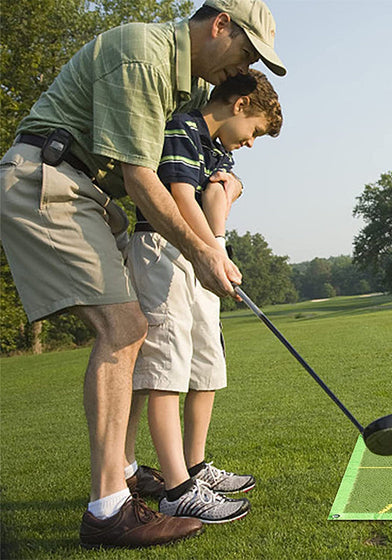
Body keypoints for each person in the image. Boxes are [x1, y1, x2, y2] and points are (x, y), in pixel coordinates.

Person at [0, 0, 286, 550]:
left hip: (86, 193)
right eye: (247, 52)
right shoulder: (143, 56)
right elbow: (139, 176)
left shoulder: (194, 84)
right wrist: (204, 250)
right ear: (219, 25)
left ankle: (127, 471)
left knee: (136, 332)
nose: (244, 68)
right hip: (48, 179)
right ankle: (108, 509)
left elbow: (218, 130)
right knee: (124, 328)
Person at [124, 69, 283, 524]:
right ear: (240, 105)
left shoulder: (216, 148)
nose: (251, 143)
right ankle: (177, 488)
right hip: (161, 248)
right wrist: (215, 251)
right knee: (167, 366)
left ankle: (195, 466)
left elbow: (217, 197)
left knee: (206, 362)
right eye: (254, 131)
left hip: (200, 253)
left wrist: (224, 201)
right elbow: (180, 197)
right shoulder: (183, 128)